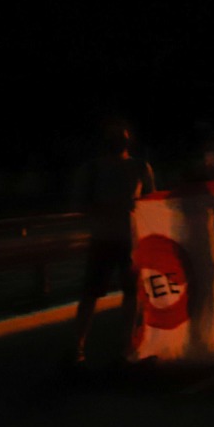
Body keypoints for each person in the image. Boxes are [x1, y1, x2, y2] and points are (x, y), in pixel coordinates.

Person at [70, 121, 155, 365]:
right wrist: (110, 208)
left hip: (131, 241)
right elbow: (79, 204)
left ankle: (127, 344)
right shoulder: (92, 169)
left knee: (132, 294)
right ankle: (79, 346)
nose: (119, 142)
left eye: (122, 137)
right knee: (90, 294)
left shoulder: (140, 168)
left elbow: (153, 202)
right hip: (103, 239)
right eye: (115, 137)